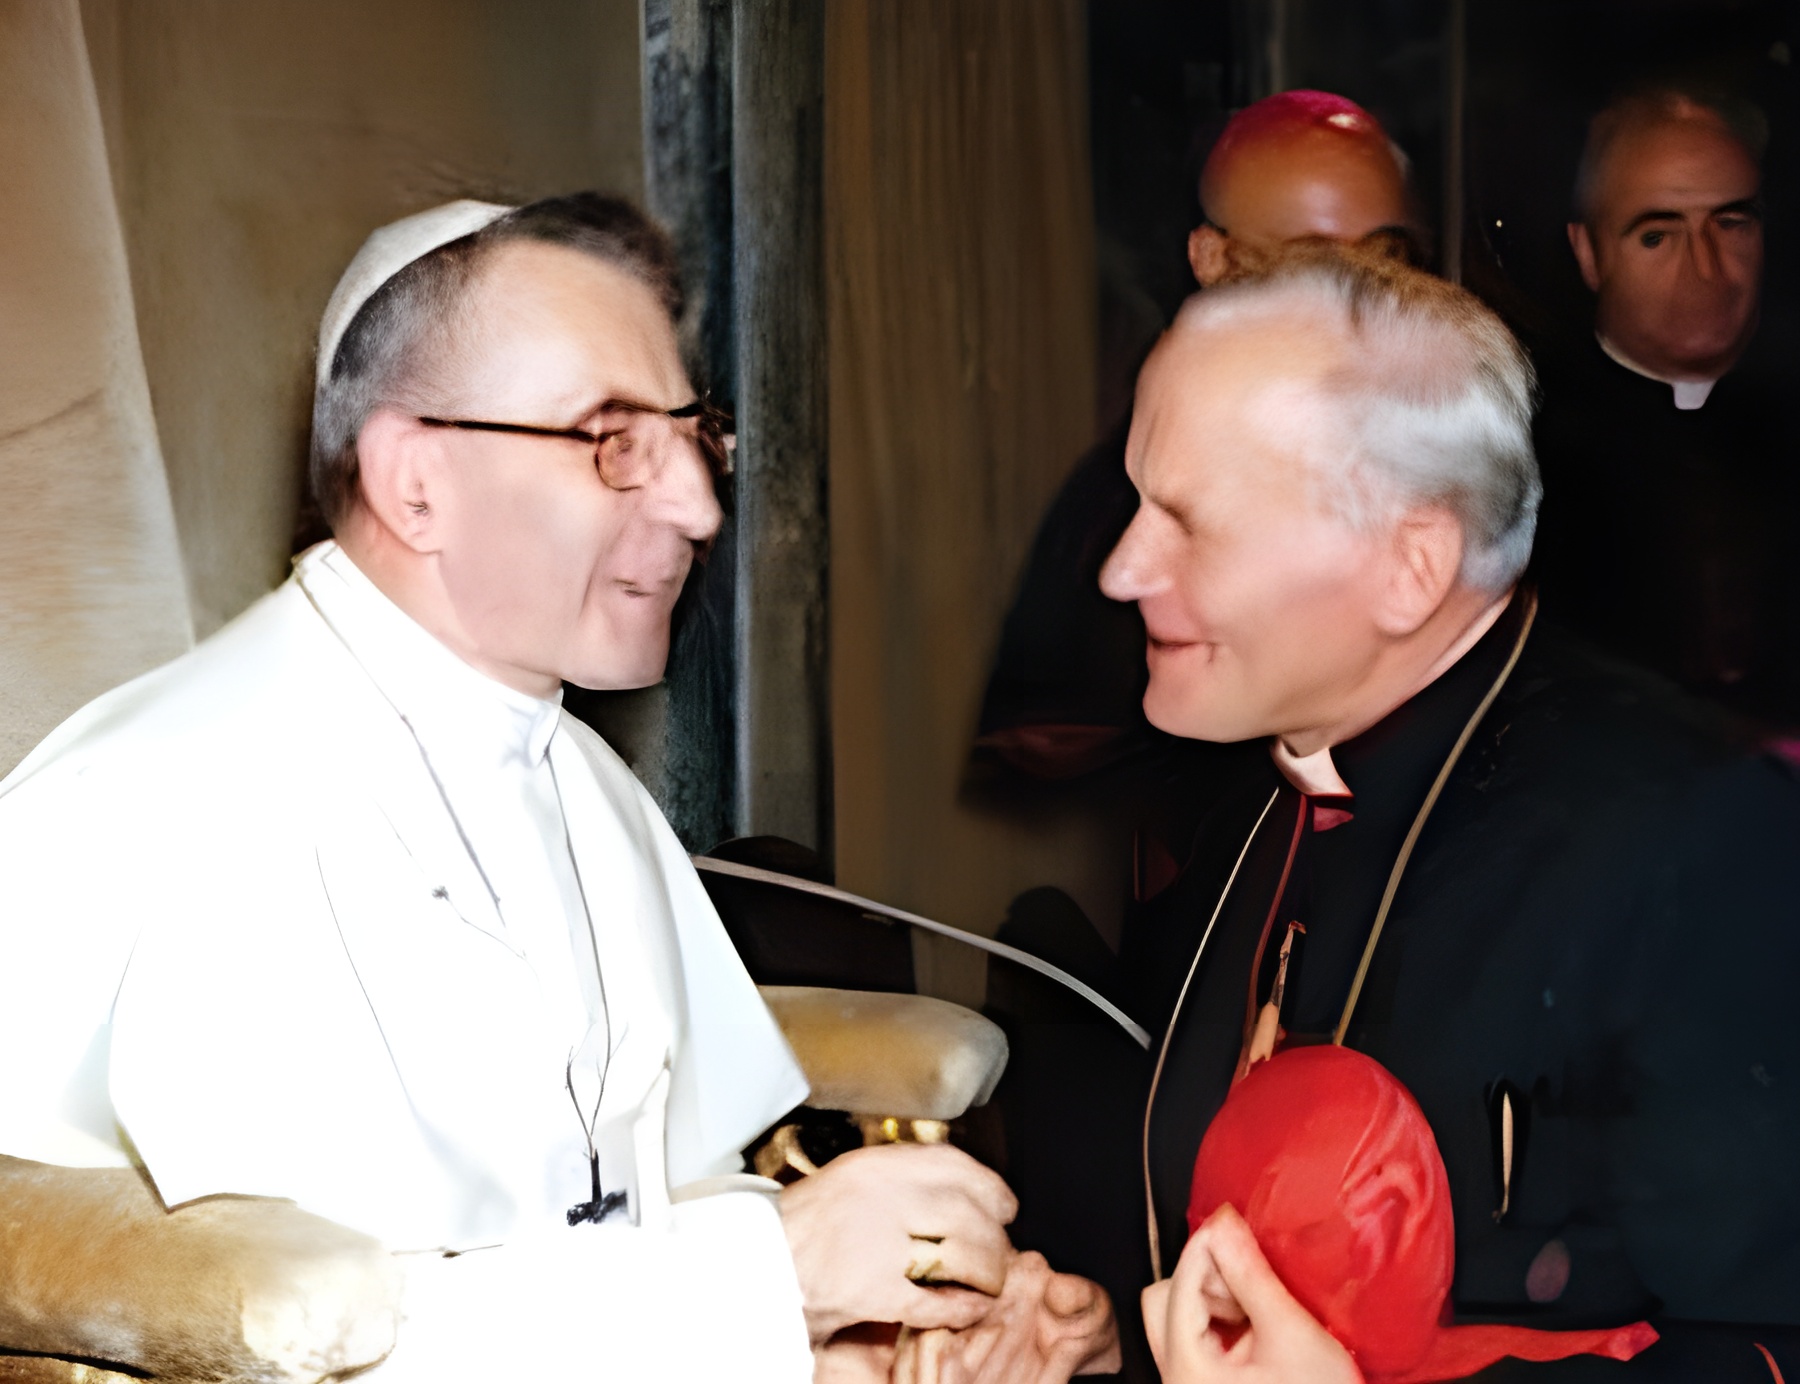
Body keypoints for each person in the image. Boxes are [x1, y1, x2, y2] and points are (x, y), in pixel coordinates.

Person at [0, 195, 1049, 1382]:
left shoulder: (586, 778)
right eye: (611, 440)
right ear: (418, 484)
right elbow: (291, 1333)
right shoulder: (155, 798)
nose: (701, 508)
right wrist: (773, 1280)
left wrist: (854, 1350)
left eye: (695, 434)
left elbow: (634, 1204)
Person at [1043, 245, 1800, 1382]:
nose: (1119, 568)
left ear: (1408, 569)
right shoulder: (1257, 781)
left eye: (1189, 522)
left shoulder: (1696, 836)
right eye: (1136, 500)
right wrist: (1103, 1341)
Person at [973, 89, 1416, 798]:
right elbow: (1048, 767)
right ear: (1214, 259)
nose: (1362, 297)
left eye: (1387, 258)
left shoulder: (1435, 452)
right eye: (1313, 261)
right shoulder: (1131, 505)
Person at [1532, 84, 1800, 730]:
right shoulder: (1519, 447)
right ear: (1588, 253)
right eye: (1658, 237)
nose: (1706, 269)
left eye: (1731, 224)